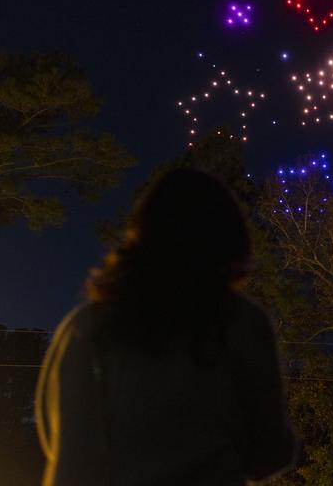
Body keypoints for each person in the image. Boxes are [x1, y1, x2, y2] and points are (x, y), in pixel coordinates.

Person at [36, 168, 298, 485]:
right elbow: (268, 451)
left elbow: (60, 438)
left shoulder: (86, 328)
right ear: (229, 240)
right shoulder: (241, 323)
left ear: (140, 234)